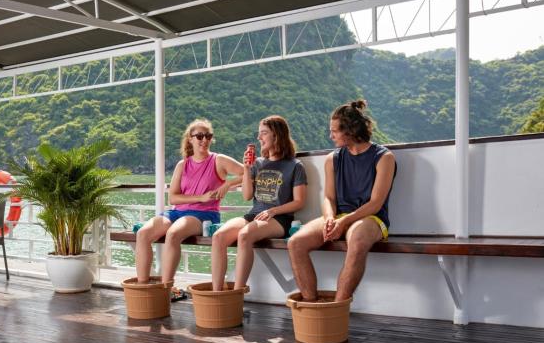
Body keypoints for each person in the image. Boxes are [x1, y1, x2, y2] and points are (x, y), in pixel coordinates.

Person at [288, 99, 396, 302]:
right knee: (295, 243)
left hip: (372, 218)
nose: (331, 136)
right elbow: (329, 197)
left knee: (357, 240)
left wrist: (344, 221)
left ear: (350, 130)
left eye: (334, 131)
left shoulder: (384, 157)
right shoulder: (332, 159)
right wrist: (330, 218)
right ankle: (312, 306)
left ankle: (338, 308)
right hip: (339, 216)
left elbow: (376, 203)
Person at [136, 119, 243, 285]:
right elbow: (173, 198)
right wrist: (200, 197)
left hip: (204, 214)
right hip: (177, 212)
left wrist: (228, 184)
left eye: (208, 136)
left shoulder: (218, 160)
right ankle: (142, 287)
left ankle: (166, 288)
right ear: (190, 139)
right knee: (143, 234)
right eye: (199, 136)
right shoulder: (182, 164)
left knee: (173, 234)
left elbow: (249, 172)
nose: (204, 140)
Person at [211, 115, 307, 291]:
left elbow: (299, 202)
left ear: (276, 135)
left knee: (244, 235)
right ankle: (217, 293)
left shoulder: (295, 165)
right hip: (254, 214)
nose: (259, 137)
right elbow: (247, 196)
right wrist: (247, 169)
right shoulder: (258, 164)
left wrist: (273, 211)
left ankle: (237, 292)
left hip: (279, 219)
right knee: (218, 237)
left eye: (263, 133)